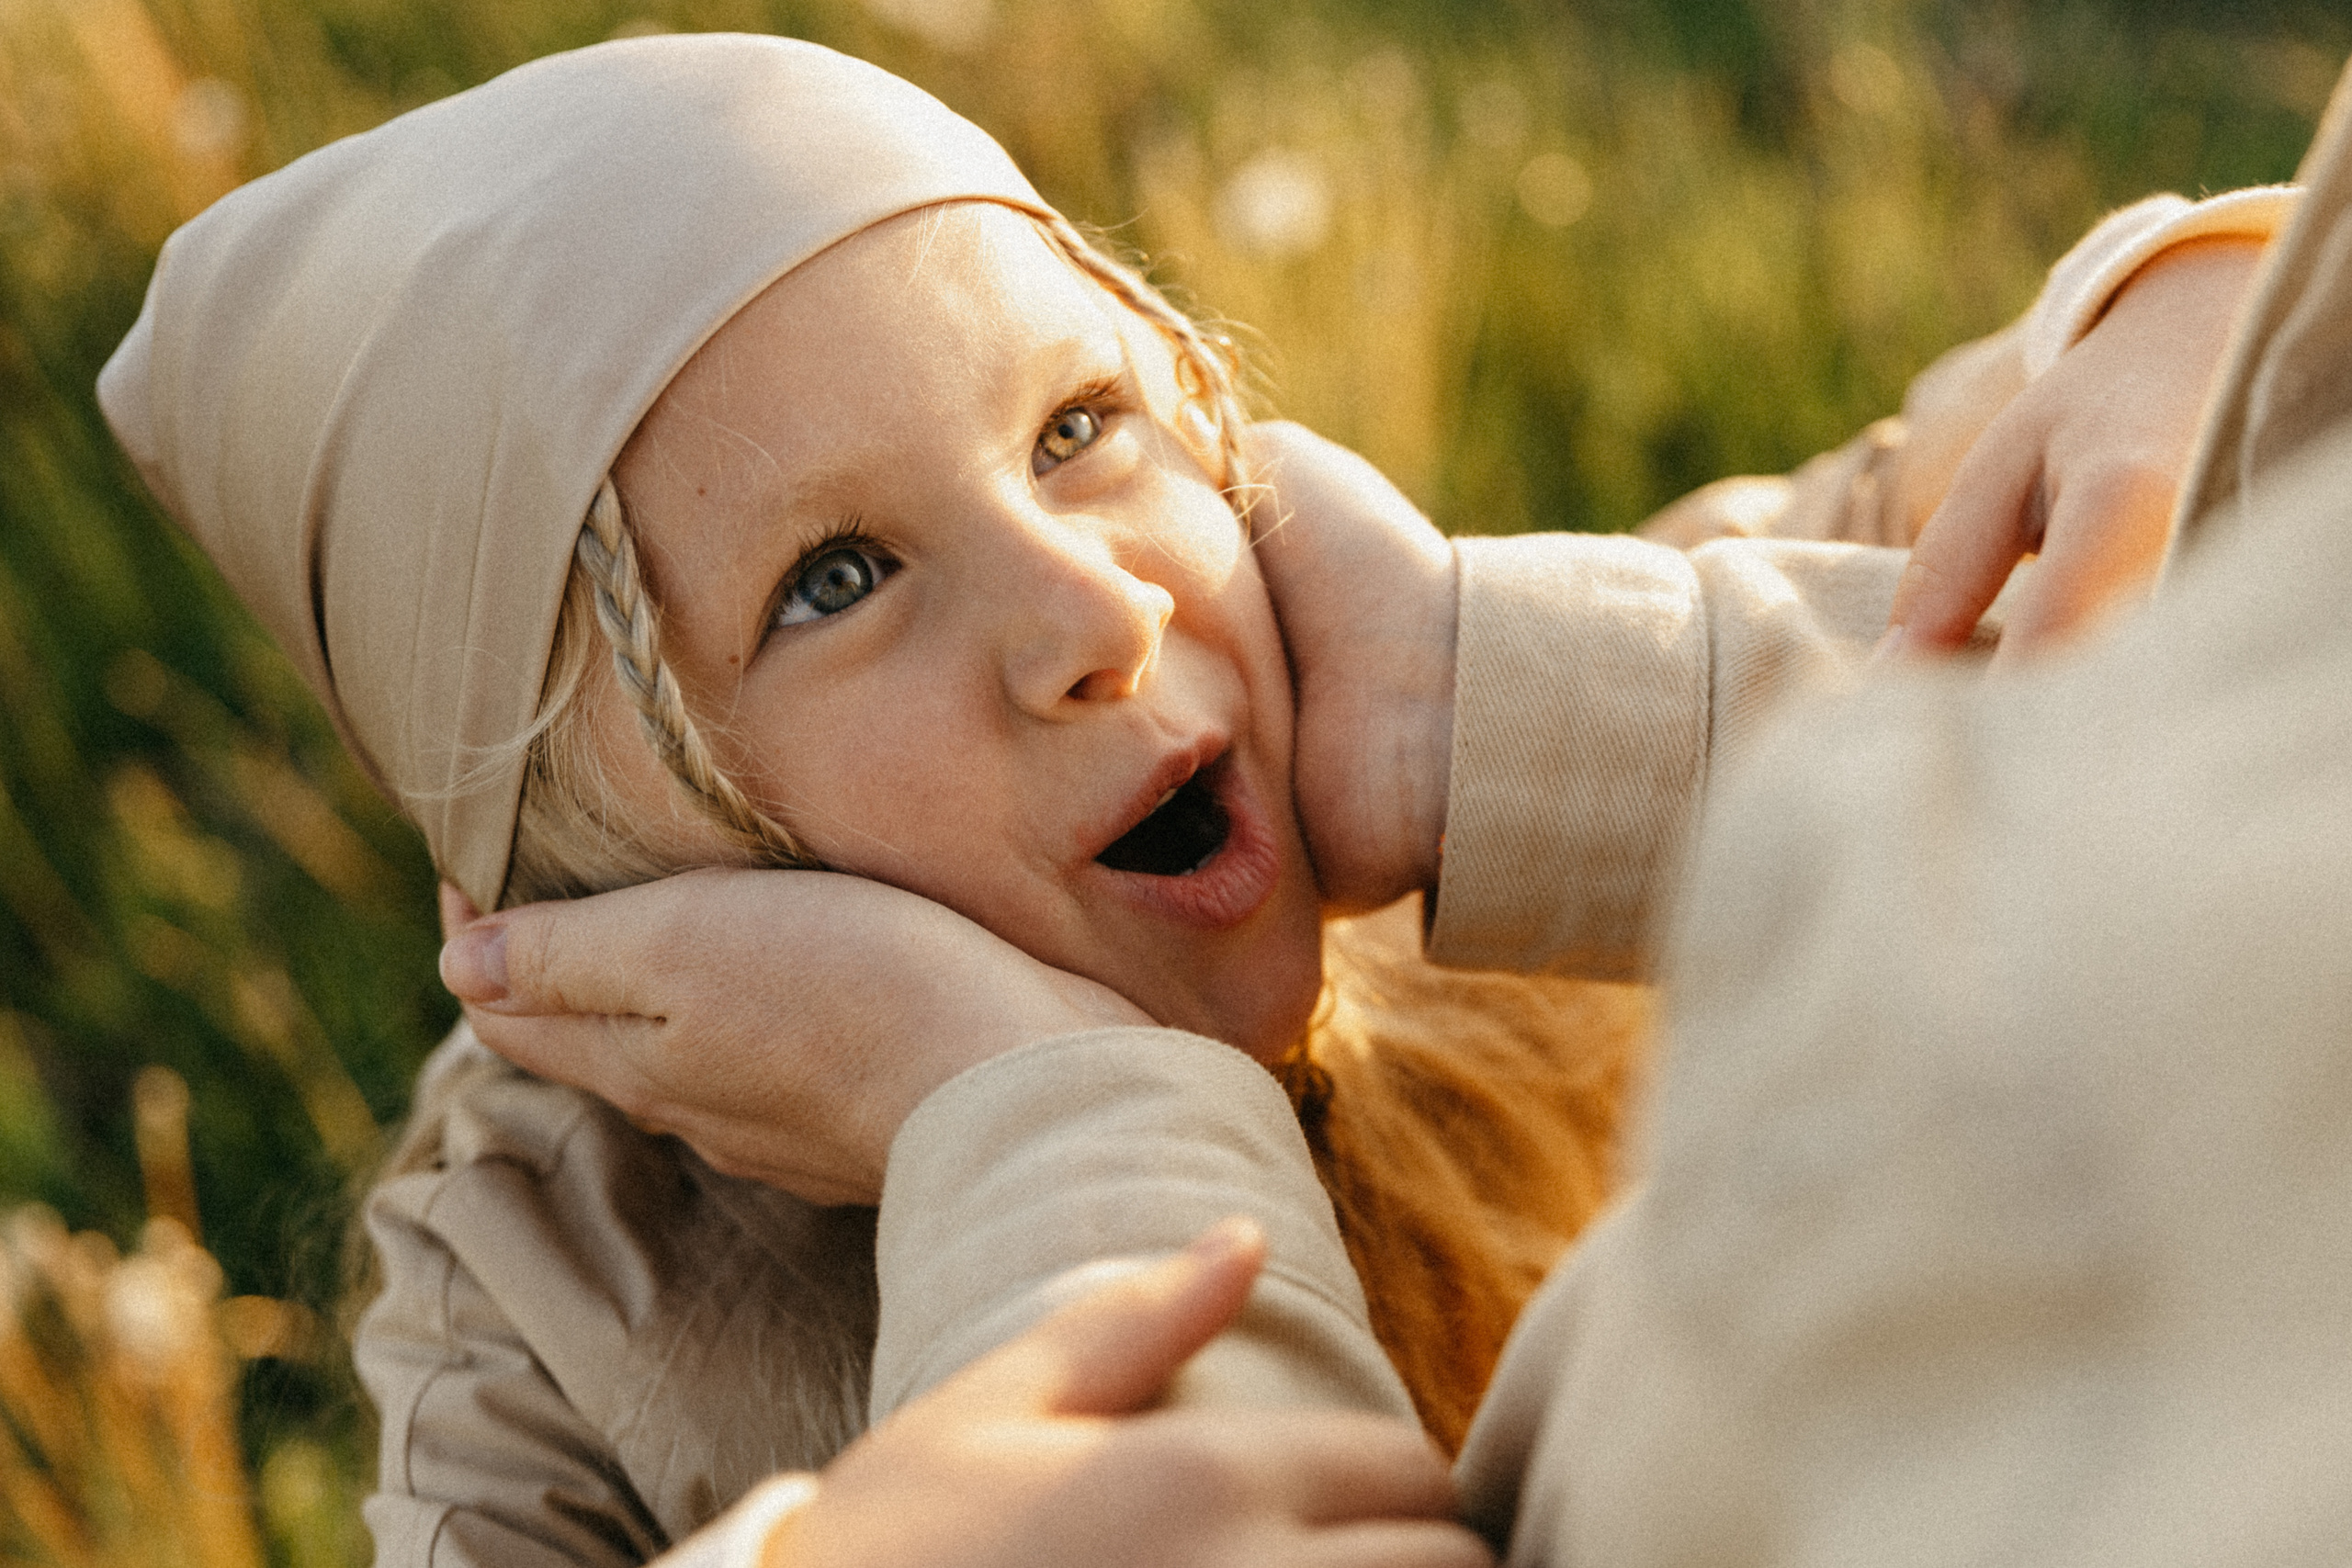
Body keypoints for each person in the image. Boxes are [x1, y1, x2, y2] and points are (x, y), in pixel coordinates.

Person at [98, 27, 2292, 1568]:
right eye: (833, 579)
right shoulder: (547, 1327)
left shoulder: (1431, 741)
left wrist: (2180, 297)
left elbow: (2137, 585)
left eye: (1076, 426)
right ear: (584, 862)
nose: (1093, 609)